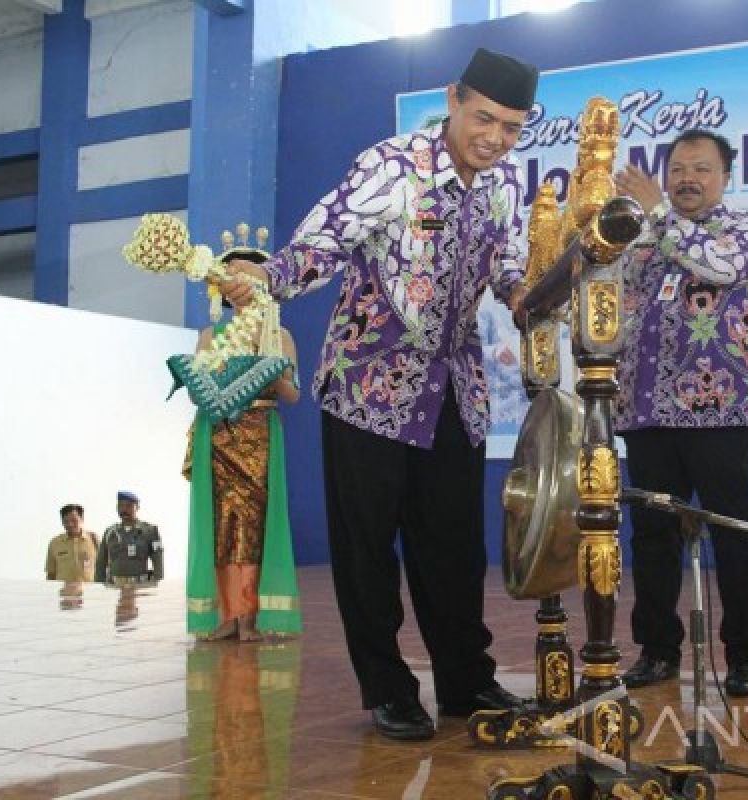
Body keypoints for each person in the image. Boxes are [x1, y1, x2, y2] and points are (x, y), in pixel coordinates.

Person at [220, 47, 536, 740]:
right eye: (484, 118)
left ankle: (466, 684)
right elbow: (322, 244)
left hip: (456, 388)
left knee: (454, 547)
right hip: (368, 382)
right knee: (367, 548)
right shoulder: (389, 167)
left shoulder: (508, 181)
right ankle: (388, 688)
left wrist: (522, 292)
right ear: (454, 98)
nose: (495, 138)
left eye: (511, 127)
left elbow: (511, 260)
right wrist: (266, 280)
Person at [613, 129, 748, 697]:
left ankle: (745, 657)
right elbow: (609, 293)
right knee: (652, 537)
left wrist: (658, 214)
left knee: (733, 531)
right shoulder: (644, 238)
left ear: (725, 177)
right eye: (677, 168)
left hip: (722, 409)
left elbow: (720, 269)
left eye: (701, 169)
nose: (686, 178)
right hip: (648, 412)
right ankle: (656, 650)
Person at [182, 267, 303, 643]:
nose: (241, 290)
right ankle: (227, 614)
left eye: (249, 284)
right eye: (232, 283)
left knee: (253, 524)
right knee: (221, 523)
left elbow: (293, 394)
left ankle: (250, 614)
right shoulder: (210, 336)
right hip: (219, 435)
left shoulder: (277, 336)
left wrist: (274, 375)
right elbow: (195, 391)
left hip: (259, 437)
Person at [95, 491, 164, 586]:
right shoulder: (110, 532)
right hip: (114, 587)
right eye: (120, 506)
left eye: (129, 506)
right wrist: (98, 586)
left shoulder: (150, 531)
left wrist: (157, 583)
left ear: (137, 507)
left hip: (140, 586)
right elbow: (101, 562)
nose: (124, 510)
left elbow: (158, 560)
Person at [45, 503, 98, 582]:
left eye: (74, 520)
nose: (70, 524)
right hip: (63, 592)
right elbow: (51, 573)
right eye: (66, 521)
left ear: (82, 518)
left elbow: (105, 568)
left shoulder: (94, 539)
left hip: (89, 592)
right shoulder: (55, 543)